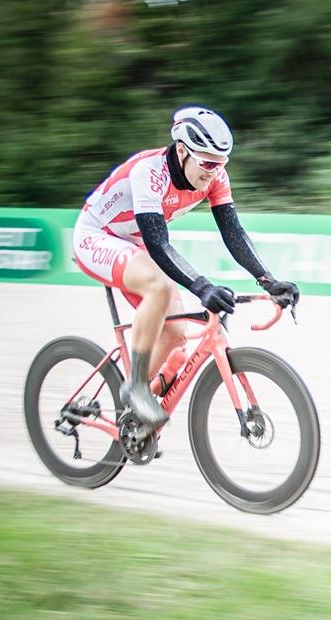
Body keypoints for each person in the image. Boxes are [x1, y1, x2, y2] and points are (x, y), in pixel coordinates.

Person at [73, 106, 299, 432]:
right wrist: (202, 286)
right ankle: (134, 385)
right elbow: (159, 245)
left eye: (221, 163)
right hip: (96, 236)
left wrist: (268, 280)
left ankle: (131, 412)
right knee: (158, 287)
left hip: (133, 244)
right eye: (206, 162)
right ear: (182, 151)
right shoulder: (149, 172)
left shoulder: (214, 176)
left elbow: (233, 234)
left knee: (176, 335)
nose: (214, 171)